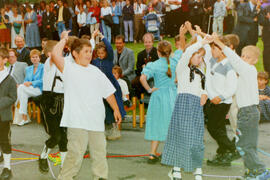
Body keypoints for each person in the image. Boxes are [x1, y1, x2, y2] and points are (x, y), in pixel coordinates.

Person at [52, 31, 122, 180]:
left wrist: (116, 109)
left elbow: (108, 92)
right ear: (75, 54)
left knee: (99, 153)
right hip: (77, 121)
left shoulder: (95, 71)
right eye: (85, 52)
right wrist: (64, 39)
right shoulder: (69, 68)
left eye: (91, 51)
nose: (89, 54)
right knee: (75, 154)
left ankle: (100, 177)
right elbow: (55, 55)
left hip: (96, 121)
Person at [213, 36, 270, 180]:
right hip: (245, 112)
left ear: (254, 61)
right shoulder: (243, 74)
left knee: (245, 145)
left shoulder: (249, 70)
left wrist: (219, 43)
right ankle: (252, 170)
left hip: (248, 112)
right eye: (243, 55)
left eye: (248, 57)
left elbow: (234, 59)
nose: (244, 58)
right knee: (244, 144)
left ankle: (260, 170)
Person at [161, 25, 210, 180]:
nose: (200, 59)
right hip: (184, 104)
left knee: (197, 137)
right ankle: (176, 169)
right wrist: (199, 43)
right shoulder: (182, 67)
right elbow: (187, 51)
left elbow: (204, 87)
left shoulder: (201, 72)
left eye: (201, 57)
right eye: (197, 56)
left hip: (196, 106)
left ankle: (197, 169)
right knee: (180, 136)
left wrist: (205, 94)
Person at [140, 38, 181, 164]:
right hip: (172, 96)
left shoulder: (154, 65)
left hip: (158, 96)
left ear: (158, 52)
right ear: (171, 51)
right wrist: (183, 33)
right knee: (172, 124)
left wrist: (149, 89)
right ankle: (171, 153)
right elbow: (182, 48)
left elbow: (142, 78)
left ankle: (152, 153)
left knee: (156, 123)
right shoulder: (175, 61)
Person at [202, 34, 239, 167]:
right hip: (213, 100)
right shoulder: (212, 61)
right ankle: (223, 151)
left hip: (222, 102)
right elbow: (205, 46)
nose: (211, 51)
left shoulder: (228, 67)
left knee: (213, 127)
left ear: (222, 50)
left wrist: (221, 97)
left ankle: (232, 149)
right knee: (219, 128)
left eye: (214, 49)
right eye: (212, 49)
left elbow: (232, 87)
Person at [38, 40, 68, 173]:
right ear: (51, 53)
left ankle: (64, 166)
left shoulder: (64, 63)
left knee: (64, 136)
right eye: (58, 51)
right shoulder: (48, 63)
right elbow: (54, 55)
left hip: (63, 101)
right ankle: (43, 156)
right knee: (56, 136)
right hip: (50, 101)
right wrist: (63, 39)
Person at [92, 32, 126, 140]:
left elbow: (110, 49)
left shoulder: (109, 60)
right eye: (99, 53)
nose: (101, 55)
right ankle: (105, 129)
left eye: (103, 53)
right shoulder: (94, 61)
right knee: (103, 108)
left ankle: (115, 129)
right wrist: (93, 38)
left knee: (113, 107)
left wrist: (102, 37)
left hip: (111, 86)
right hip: (99, 88)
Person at [0, 48, 17, 180]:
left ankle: (7, 168)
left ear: (5, 60)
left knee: (5, 140)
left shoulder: (10, 79)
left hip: (3, 115)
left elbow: (12, 97)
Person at [17, 49, 44, 126]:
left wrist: (31, 83)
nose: (34, 59)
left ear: (39, 58)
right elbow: (26, 81)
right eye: (32, 57)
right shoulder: (28, 68)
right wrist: (23, 84)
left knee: (21, 89)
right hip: (29, 90)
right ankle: (24, 118)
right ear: (30, 58)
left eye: (36, 57)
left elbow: (43, 80)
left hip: (39, 89)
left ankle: (22, 114)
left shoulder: (43, 67)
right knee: (22, 91)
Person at [132, 33, 159, 99]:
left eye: (149, 42)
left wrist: (146, 67)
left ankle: (152, 97)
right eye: (146, 42)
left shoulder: (157, 52)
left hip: (155, 74)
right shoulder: (140, 54)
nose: (147, 44)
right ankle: (141, 98)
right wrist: (143, 70)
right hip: (143, 74)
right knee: (134, 81)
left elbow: (158, 66)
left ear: (152, 42)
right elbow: (138, 69)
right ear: (143, 43)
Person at [225, 34, 240, 134]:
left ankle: (238, 135)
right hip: (229, 88)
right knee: (231, 112)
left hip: (235, 88)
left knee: (234, 112)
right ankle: (237, 134)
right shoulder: (228, 57)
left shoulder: (233, 58)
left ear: (230, 46)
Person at [258, 4, 270, 74]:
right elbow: (261, 22)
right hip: (267, 37)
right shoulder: (265, 9)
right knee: (267, 54)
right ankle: (267, 71)